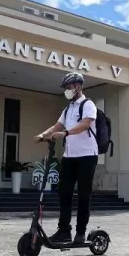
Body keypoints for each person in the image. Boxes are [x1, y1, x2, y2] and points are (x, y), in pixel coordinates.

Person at [35, 72, 98, 244]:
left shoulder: (88, 104)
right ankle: (64, 230)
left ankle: (80, 233)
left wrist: (65, 133)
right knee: (64, 193)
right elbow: (57, 126)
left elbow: (85, 124)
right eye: (65, 88)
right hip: (69, 157)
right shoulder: (67, 109)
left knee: (84, 195)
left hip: (87, 156)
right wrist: (43, 134)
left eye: (69, 87)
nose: (67, 91)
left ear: (78, 86)